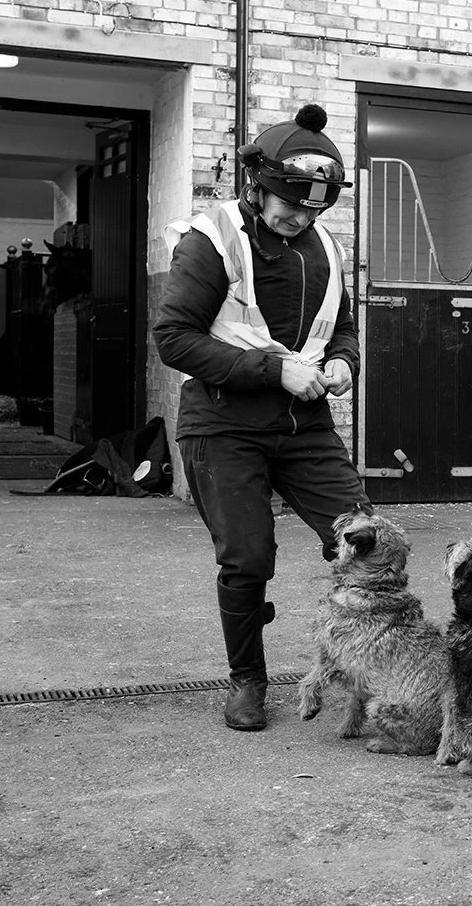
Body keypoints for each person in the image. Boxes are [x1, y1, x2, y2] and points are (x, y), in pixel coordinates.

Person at [154, 103, 368, 732]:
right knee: (248, 558)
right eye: (290, 205)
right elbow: (174, 340)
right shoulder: (213, 236)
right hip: (222, 424)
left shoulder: (324, 246)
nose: (301, 218)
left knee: (367, 542)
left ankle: (374, 666)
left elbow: (344, 330)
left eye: (314, 209)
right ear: (258, 185)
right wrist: (277, 371)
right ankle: (247, 678)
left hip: (303, 424)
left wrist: (344, 365)